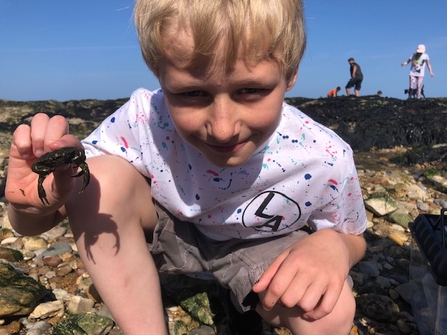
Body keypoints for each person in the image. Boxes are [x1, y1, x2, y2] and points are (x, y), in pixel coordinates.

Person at [5, 0, 367, 334]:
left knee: (329, 310)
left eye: (251, 91)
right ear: (158, 73)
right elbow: (43, 221)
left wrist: (335, 248)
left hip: (262, 247)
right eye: (193, 93)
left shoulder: (325, 158)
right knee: (96, 177)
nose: (223, 127)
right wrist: (27, 208)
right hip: (171, 232)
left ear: (289, 74)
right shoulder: (143, 120)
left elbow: (352, 236)